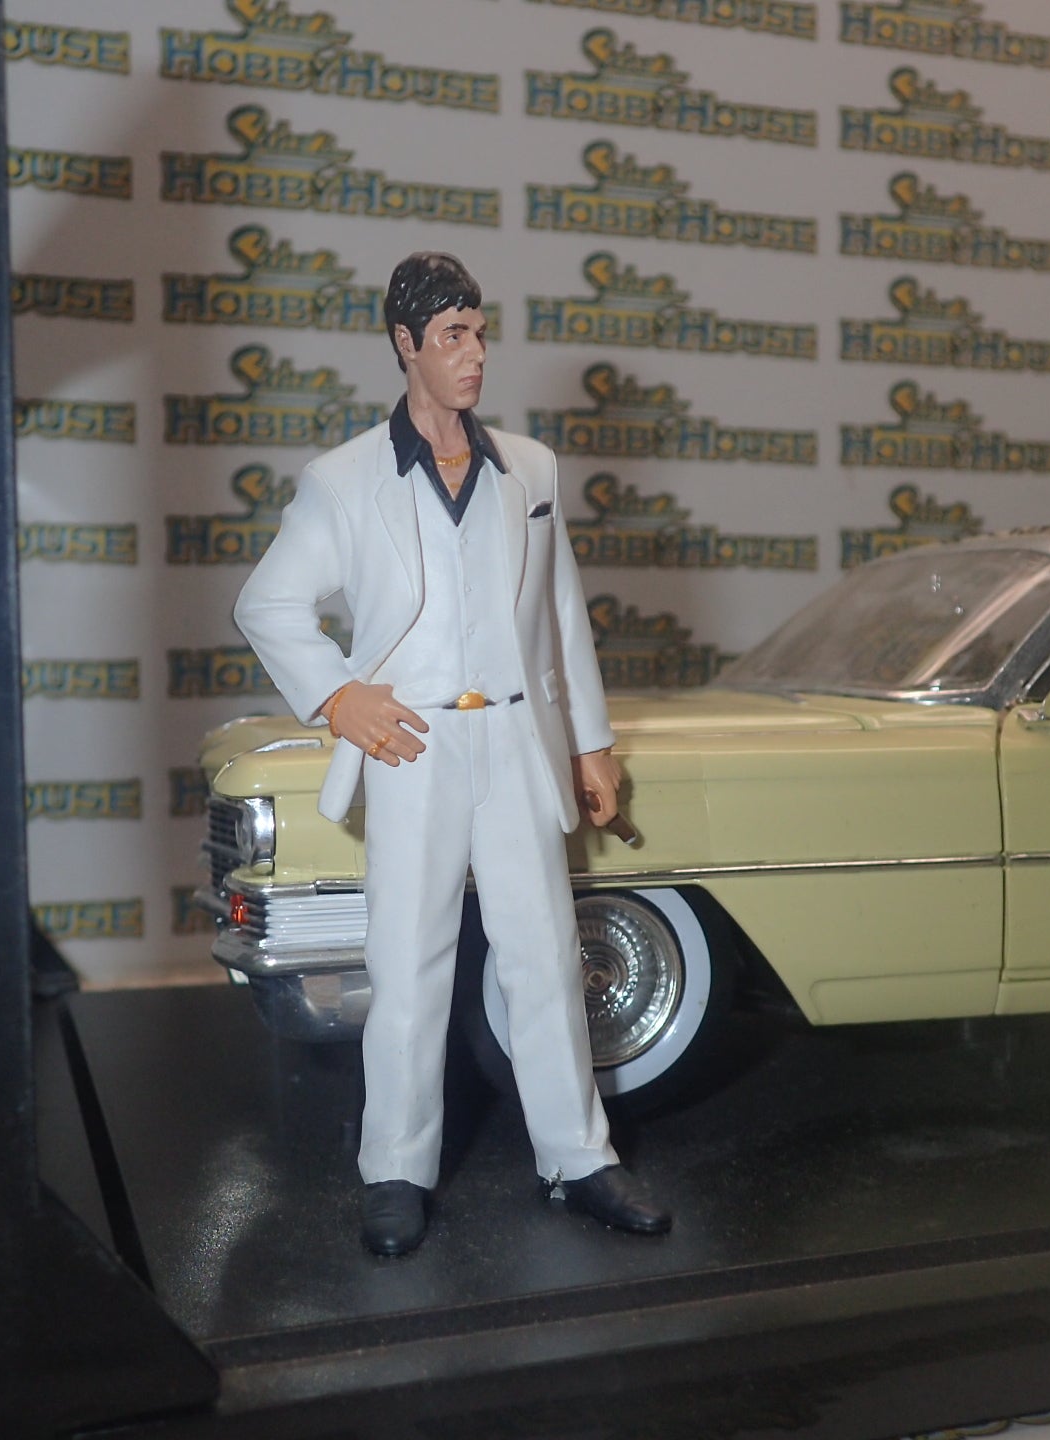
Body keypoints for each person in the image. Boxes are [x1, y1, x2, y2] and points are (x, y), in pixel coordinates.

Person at [234, 251, 670, 1256]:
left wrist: (590, 742)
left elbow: (559, 616)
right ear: (406, 345)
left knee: (546, 956)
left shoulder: (530, 470)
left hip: (515, 737)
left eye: (479, 333)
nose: (474, 355)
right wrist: (339, 695)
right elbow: (268, 603)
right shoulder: (345, 480)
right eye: (451, 337)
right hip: (415, 746)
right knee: (409, 962)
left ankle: (579, 1156)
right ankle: (395, 1166)